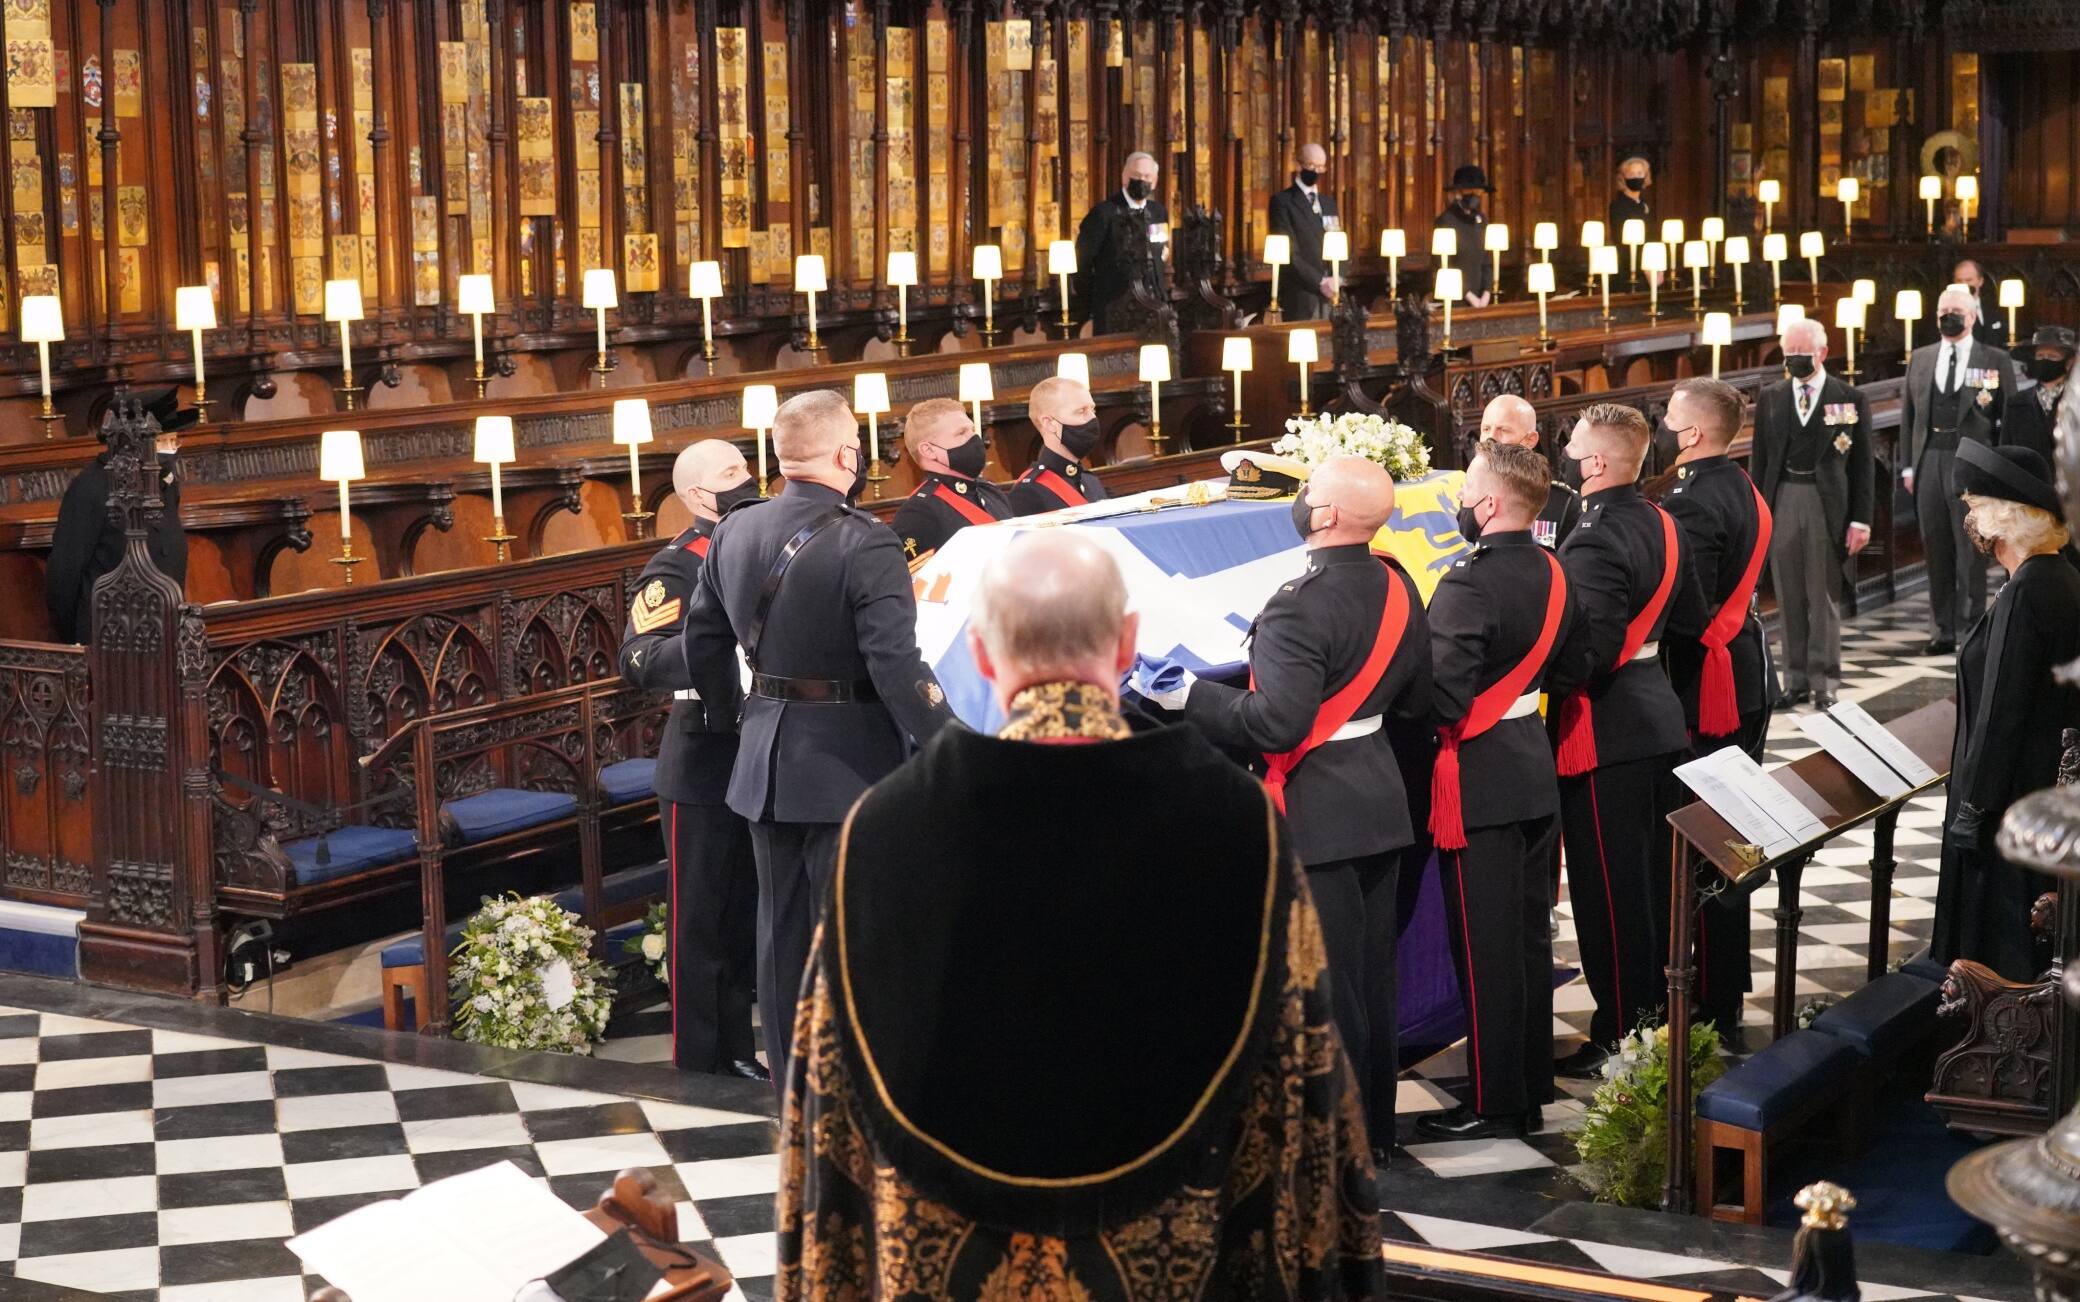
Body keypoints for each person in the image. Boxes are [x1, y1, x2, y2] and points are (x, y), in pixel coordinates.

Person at [774, 532, 1386, 1300]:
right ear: (1129, 642)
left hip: (944, 1249)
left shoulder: (885, 828)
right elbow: (1301, 1073)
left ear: (984, 656)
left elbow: (827, 1094)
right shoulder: (1232, 820)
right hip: (1179, 1245)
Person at [675, 389, 955, 1086]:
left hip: (766, 759)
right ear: (845, 453)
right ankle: (860, 1080)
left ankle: (795, 1083)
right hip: (850, 764)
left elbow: (703, 642)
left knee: (780, 936)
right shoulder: (867, 539)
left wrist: (728, 720)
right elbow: (896, 665)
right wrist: (952, 743)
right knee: (858, 932)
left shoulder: (734, 531)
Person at [1170, 456, 1432, 1158]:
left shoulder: (1296, 603)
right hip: (1380, 797)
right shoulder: (1399, 583)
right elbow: (1414, 697)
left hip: (1319, 810)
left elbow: (1275, 724)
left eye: (1309, 489)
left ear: (1324, 515)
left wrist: (1186, 698)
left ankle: (1339, 1142)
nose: (1302, 496)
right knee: (1373, 979)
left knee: (1329, 984)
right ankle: (1373, 1129)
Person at [1416, 440, 1574, 1140]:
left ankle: (1493, 1101)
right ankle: (1530, 1078)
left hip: (1478, 780)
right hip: (1534, 771)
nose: (1462, 503)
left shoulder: (1467, 584)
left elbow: (1445, 699)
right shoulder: (1553, 567)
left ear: (1492, 504)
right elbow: (1575, 660)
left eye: (1469, 490)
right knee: (1527, 940)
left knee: (1484, 952)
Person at [1547, 402, 1705, 1075]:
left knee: (1608, 893)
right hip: (1658, 717)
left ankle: (1622, 1031)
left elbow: (1591, 653)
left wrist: (1532, 660)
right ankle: (1657, 1017)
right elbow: (1691, 618)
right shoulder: (1663, 520)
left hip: (1608, 730)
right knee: (1649, 887)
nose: (1567, 449)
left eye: (1575, 442)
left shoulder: (1593, 536)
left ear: (1595, 463)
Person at [616, 441, 765, 1079]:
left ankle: (737, 1048)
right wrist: (715, 653)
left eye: (746, 465)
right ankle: (700, 1065)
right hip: (703, 757)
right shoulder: (677, 565)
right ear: (699, 495)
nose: (748, 479)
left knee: (742, 915)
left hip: (760, 747)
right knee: (700, 920)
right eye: (732, 474)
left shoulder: (766, 542)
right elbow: (640, 658)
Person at [1933, 440, 2080, 982]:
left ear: (2003, 516)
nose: (1969, 516)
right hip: (2042, 792)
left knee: (2000, 960)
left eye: (1975, 505)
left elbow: (2003, 710)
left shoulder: (2028, 591)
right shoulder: (2058, 577)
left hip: (2011, 804)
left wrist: (1973, 809)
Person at [1659, 378, 1777, 1041]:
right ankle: (1725, 982)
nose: (1666, 427)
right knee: (1730, 834)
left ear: (1695, 434)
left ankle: (1713, 990)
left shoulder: (1695, 502)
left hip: (1708, 684)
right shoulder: (1738, 484)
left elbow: (1686, 608)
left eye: (1672, 419)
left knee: (1709, 839)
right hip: (1745, 670)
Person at [1749, 319, 1873, 710]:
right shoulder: (1772, 397)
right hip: (1783, 496)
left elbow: (1863, 467)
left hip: (1826, 503)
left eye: (1801, 354)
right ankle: (1795, 680)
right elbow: (1761, 460)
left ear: (1821, 353)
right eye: (1788, 354)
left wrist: (1861, 519)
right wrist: (1758, 514)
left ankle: (1825, 680)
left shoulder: (1849, 397)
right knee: (1788, 593)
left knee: (1822, 595)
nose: (1794, 361)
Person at [1903, 282, 2008, 656]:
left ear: (1973, 317)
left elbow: (2006, 418)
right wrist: (1907, 467)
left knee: (1970, 550)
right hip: (1930, 456)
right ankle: (1941, 630)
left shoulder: (1994, 359)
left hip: (1972, 462)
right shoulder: (1922, 357)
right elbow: (1909, 418)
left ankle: (1972, 627)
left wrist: (1998, 471)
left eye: (1956, 313)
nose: (1948, 319)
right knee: (1936, 548)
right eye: (1942, 313)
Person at [47, 387, 194, 644]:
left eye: (175, 441)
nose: (171, 451)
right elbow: (64, 578)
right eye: (162, 442)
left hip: (163, 636)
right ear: (133, 442)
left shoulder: (164, 484)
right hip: (110, 642)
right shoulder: (91, 488)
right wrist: (81, 642)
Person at [891, 397, 1015, 562]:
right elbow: (922, 583)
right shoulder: (919, 513)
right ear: (928, 450)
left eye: (972, 429)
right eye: (962, 433)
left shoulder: (990, 492)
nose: (974, 438)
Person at [1074, 151, 1171, 335]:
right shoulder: (1103, 214)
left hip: (1153, 306)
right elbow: (1081, 264)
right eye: (1136, 175)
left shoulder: (1158, 213)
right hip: (1113, 309)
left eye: (1147, 176)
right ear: (1125, 177)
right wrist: (1095, 303)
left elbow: (1161, 252)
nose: (1142, 180)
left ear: (1155, 181)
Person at [1478, 393, 1581, 547]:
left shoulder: (1561, 503)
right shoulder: (1465, 496)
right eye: (1486, 429)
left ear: (1530, 440)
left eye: (1504, 430)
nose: (1490, 439)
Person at [1009, 376, 1111, 512]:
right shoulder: (1028, 492)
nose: (1093, 418)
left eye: (1093, 410)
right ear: (1049, 423)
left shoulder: (1089, 480)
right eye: (1081, 411)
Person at [1267, 142, 1342, 321]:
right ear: (1298, 165)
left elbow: (1338, 242)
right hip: (1301, 294)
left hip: (1332, 293)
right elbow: (1289, 253)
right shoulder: (1283, 202)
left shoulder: (1328, 203)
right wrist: (1319, 281)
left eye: (1320, 167)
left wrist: (1337, 276)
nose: (1315, 171)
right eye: (1310, 165)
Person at [2002, 326, 2075, 464]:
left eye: (2053, 356)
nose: (2045, 360)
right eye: (2040, 356)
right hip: (2027, 481)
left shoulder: (2075, 401)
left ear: (2068, 363)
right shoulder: (2016, 402)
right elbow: (2006, 451)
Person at [1434, 164, 1494, 306]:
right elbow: (1443, 265)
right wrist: (1470, 297)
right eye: (1470, 189)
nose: (1474, 194)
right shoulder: (1446, 220)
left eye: (1478, 190)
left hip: (1481, 300)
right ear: (1458, 192)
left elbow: (1486, 261)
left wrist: (1486, 293)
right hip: (1456, 300)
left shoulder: (1482, 220)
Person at [1953, 258, 2010, 350]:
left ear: (1980, 281)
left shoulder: (1994, 307)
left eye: (1968, 280)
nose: (1964, 285)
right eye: (1959, 281)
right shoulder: (1947, 311)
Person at [1608, 156, 1653, 243]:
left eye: (1640, 173)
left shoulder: (1644, 203)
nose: (1636, 177)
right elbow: (1618, 236)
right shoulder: (1618, 206)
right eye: (1631, 174)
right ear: (1623, 177)